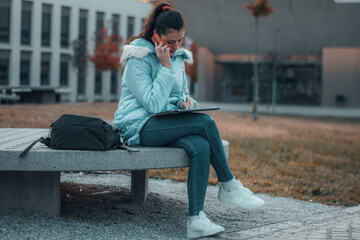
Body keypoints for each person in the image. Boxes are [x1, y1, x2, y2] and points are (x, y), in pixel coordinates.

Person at [114, 2, 264, 239]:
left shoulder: (178, 57)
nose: (176, 47)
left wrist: (187, 103)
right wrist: (165, 68)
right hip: (137, 126)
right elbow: (152, 105)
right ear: (156, 36)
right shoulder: (138, 58)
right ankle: (229, 185)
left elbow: (177, 95)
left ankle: (196, 220)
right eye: (171, 42)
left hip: (164, 122)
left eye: (180, 41)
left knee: (201, 145)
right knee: (205, 123)